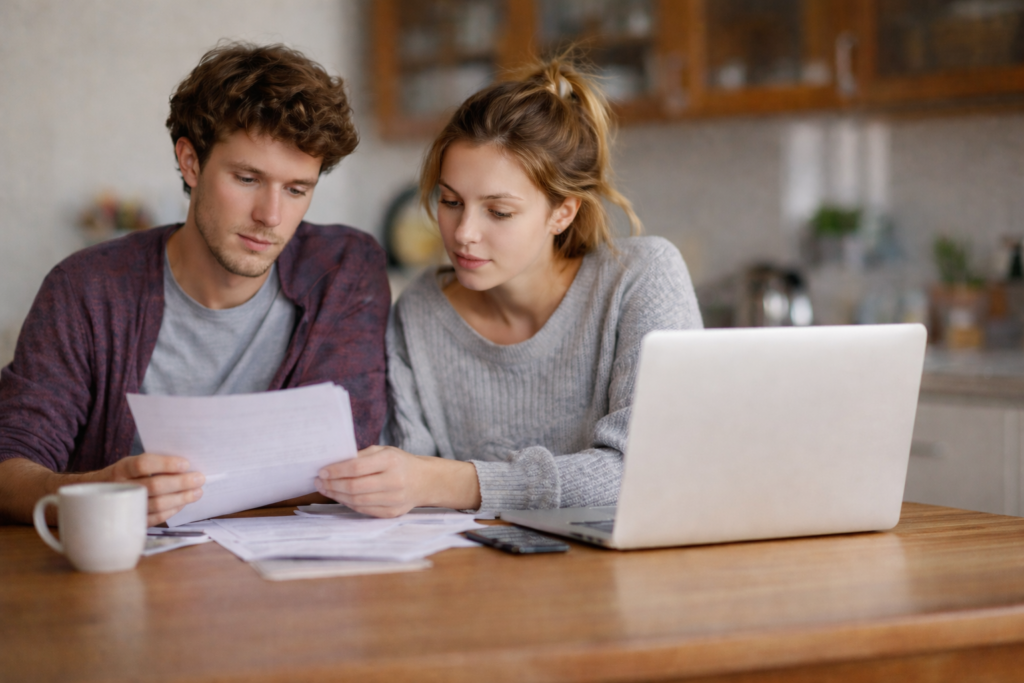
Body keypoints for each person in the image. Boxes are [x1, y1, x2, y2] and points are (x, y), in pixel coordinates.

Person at [0, 43, 389, 526]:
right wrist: (98, 493)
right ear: (190, 162)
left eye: (296, 190)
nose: (271, 217)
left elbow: (344, 455)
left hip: (289, 583)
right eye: (247, 178)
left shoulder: (344, 270)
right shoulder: (86, 288)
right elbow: (8, 468)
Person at [315, 58, 702, 517]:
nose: (463, 234)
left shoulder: (641, 278)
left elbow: (653, 469)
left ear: (563, 213)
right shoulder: (419, 312)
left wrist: (457, 481)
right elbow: (411, 498)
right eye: (451, 201)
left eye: (498, 212)